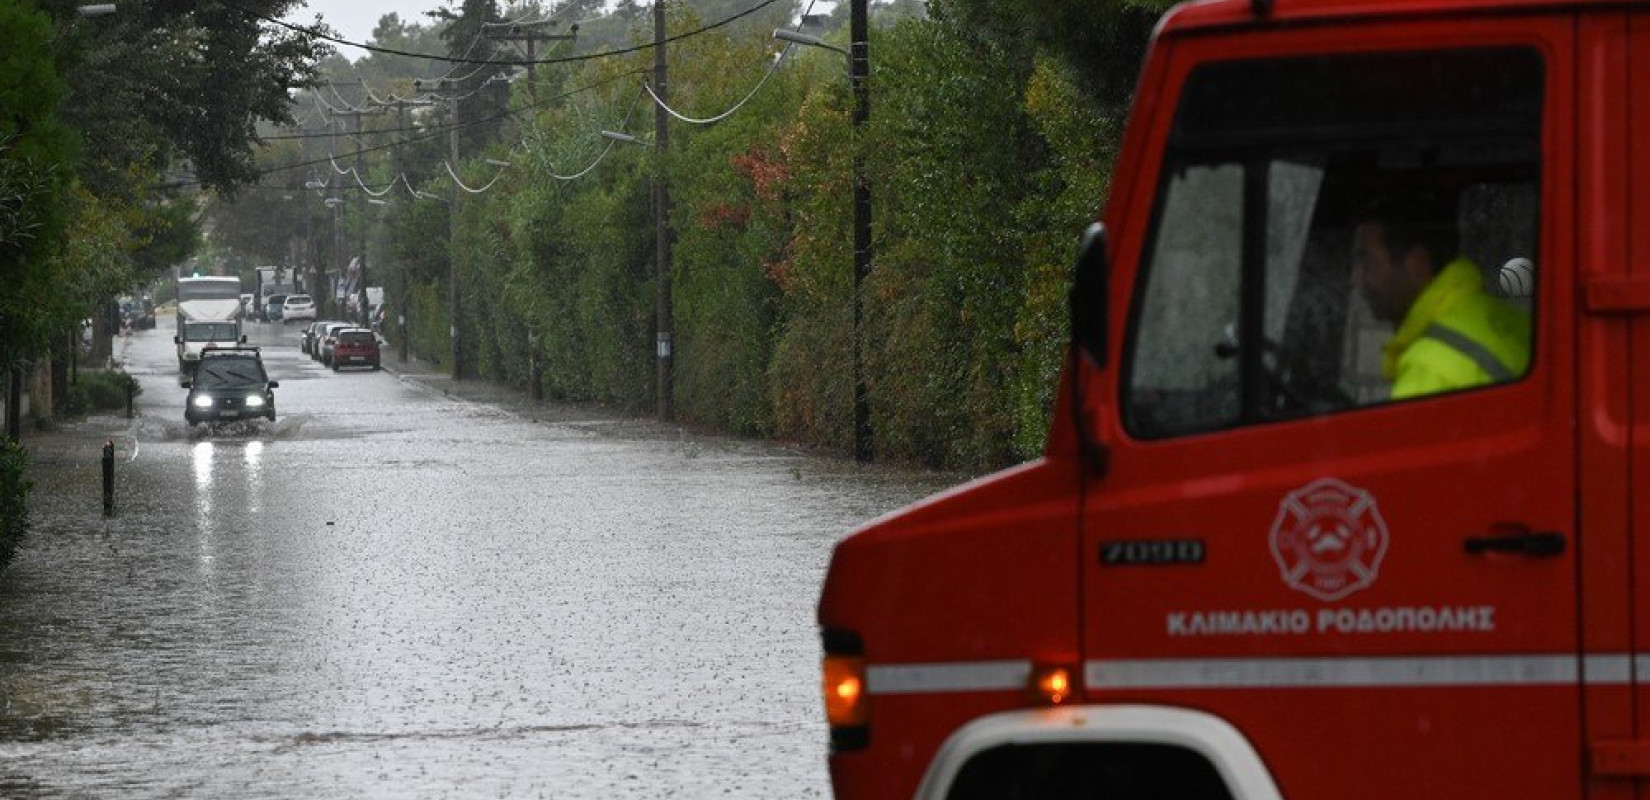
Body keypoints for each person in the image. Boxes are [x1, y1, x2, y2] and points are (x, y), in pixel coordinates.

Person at [1350, 192, 1530, 400]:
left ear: (1417, 263)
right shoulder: (1501, 318)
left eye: (1367, 263)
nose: (1356, 279)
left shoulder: (1429, 372)